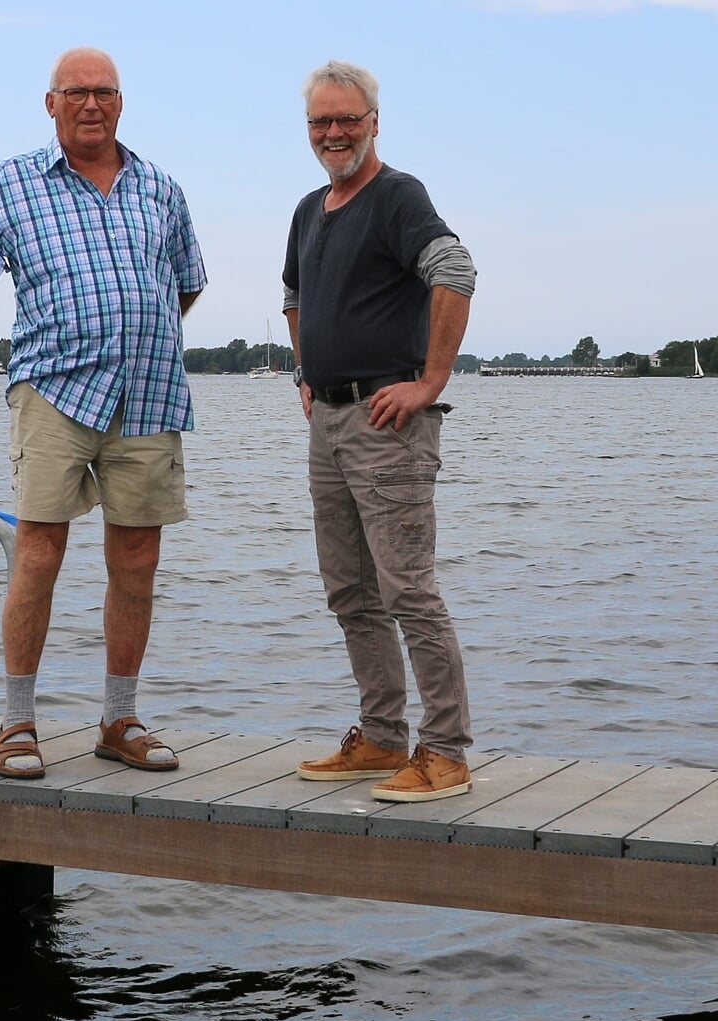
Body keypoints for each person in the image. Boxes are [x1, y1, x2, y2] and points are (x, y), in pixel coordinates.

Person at [0, 46, 206, 779]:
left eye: (104, 92)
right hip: (55, 390)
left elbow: (186, 284)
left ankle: (119, 719)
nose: (91, 104)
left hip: (150, 391)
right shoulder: (8, 183)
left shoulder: (161, 188)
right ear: (51, 103)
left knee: (138, 558)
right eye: (77, 92)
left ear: (122, 103)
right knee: (39, 551)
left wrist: (136, 325)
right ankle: (15, 724)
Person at [282, 60, 477, 803]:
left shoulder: (397, 196)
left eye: (347, 120)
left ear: (373, 123)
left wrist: (430, 381)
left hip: (387, 423)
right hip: (327, 420)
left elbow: (454, 269)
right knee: (350, 590)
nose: (334, 133)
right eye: (320, 123)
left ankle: (448, 751)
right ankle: (383, 737)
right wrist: (307, 374)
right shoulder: (310, 208)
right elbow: (294, 295)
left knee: (408, 589)